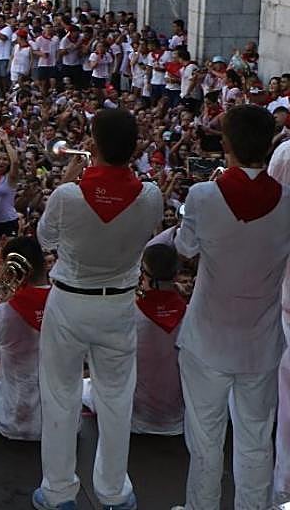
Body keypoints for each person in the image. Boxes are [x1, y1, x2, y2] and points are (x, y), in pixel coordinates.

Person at [33, 108, 161, 510]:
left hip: (70, 301)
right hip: (119, 304)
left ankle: (57, 491)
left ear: (91, 144)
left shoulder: (68, 195)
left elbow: (44, 238)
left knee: (60, 394)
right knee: (116, 398)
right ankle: (113, 491)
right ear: (134, 148)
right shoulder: (151, 195)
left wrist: (71, 179)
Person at [172, 105, 290, 510]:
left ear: (226, 145)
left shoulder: (203, 195)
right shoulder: (288, 201)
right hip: (261, 341)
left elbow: (184, 248)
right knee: (256, 440)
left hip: (207, 337)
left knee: (205, 441)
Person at [83, 243, 185, 435]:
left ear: (143, 273)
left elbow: (99, 362)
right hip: (178, 419)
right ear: (176, 275)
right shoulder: (190, 313)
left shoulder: (127, 315)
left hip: (134, 419)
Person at [0, 235, 50, 441]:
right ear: (44, 264)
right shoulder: (67, 305)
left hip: (14, 423)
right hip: (64, 425)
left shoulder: (1, 312)